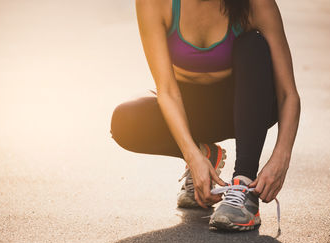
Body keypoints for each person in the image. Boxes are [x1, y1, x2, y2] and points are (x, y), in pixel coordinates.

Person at [110, 0, 300, 231]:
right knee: (125, 120)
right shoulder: (154, 3)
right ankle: (205, 154)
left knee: (254, 45)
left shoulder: (257, 4)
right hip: (189, 113)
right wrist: (192, 156)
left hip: (248, 110)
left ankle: (244, 186)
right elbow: (167, 91)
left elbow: (288, 94)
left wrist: (281, 158)